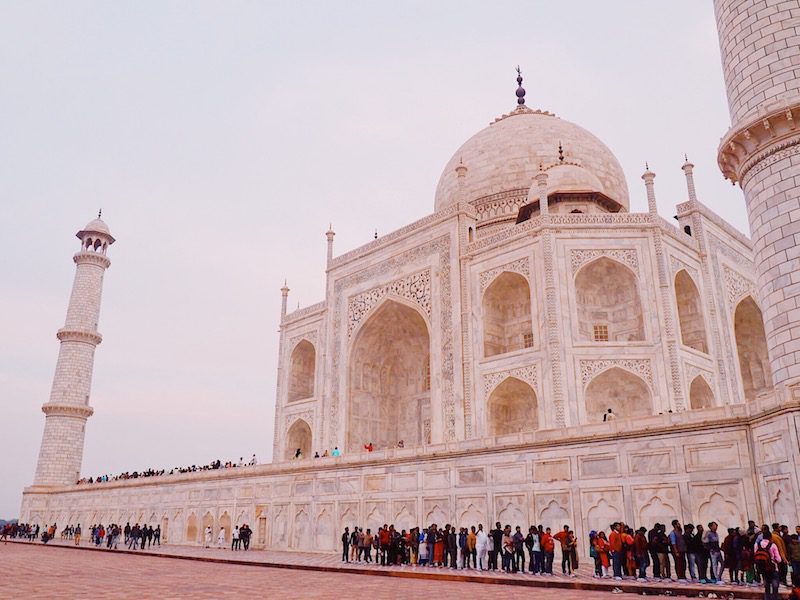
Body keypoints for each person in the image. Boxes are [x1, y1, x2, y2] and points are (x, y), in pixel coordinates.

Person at [754, 526, 781, 600]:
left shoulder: (758, 545)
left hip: (763, 568)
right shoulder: (773, 545)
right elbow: (779, 559)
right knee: (775, 586)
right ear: (770, 537)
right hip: (773, 568)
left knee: (767, 587)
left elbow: (755, 555)